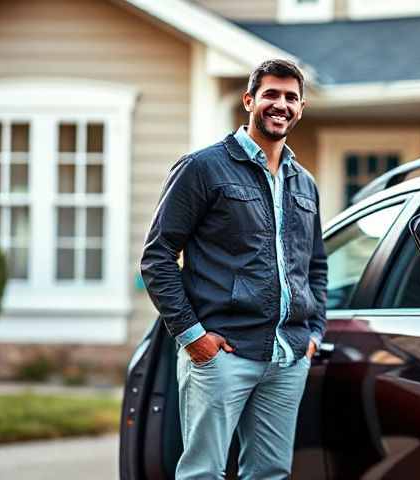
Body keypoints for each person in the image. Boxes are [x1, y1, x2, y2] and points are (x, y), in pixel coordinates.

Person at [140, 58, 327, 480]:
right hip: (222, 354)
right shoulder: (203, 168)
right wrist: (193, 336)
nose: (281, 105)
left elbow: (314, 264)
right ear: (249, 100)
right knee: (203, 473)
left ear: (301, 108)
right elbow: (157, 256)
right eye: (271, 95)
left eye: (291, 98)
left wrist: (313, 334)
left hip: (287, 356)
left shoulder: (305, 183)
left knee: (270, 472)